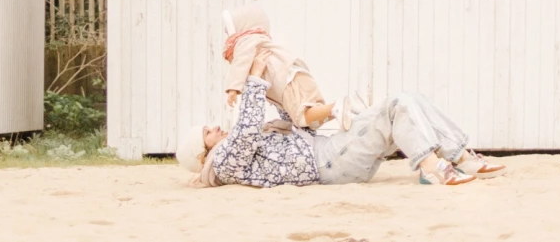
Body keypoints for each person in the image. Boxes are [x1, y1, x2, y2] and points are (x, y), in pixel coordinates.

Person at [177, 73, 505, 188]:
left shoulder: (234, 154)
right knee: (396, 105)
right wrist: (254, 75)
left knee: (408, 99)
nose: (216, 127)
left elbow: (292, 122)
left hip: (331, 153)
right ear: (202, 153)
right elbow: (246, 130)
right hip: (329, 164)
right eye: (207, 132)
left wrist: (276, 89)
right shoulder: (222, 163)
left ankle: (460, 155)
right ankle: (433, 168)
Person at [221, 1, 333, 129]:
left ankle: (335, 108)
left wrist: (233, 89)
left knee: (302, 116)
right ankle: (338, 109)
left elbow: (240, 62)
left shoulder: (247, 41)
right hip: (296, 73)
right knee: (313, 116)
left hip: (286, 81)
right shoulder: (262, 41)